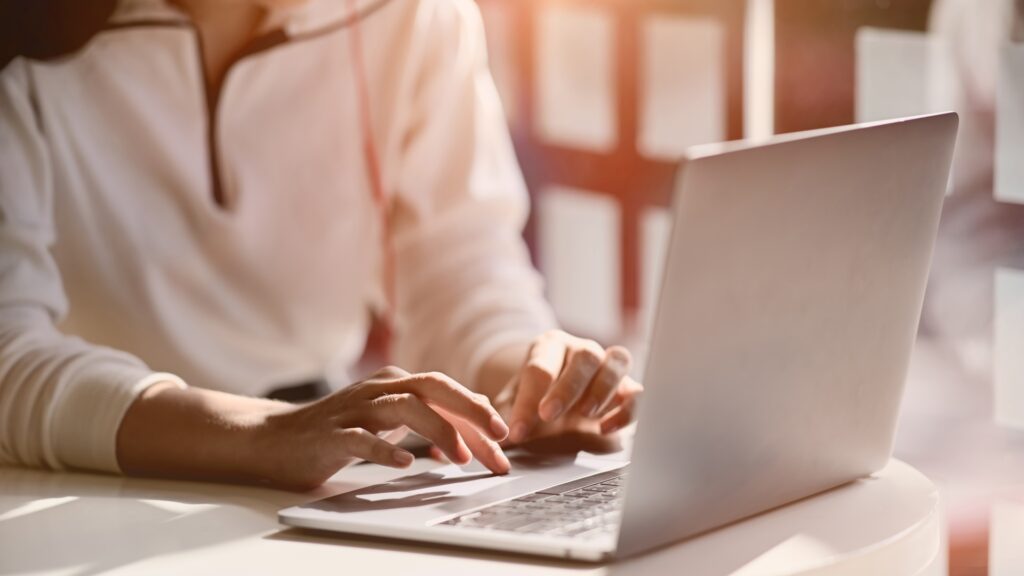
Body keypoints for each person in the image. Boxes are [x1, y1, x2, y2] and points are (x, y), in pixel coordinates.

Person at [0, 0, 642, 490]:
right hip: (82, 482)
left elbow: (462, 270)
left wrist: (531, 384)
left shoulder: (409, 16)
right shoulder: (23, 40)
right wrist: (262, 435)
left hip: (311, 466)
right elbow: (8, 352)